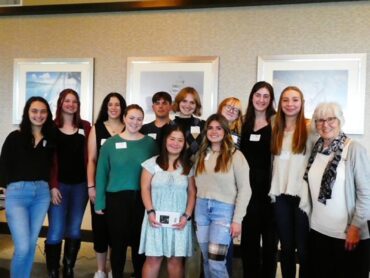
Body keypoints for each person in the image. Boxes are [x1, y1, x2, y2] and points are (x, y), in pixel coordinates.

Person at [304, 102, 370, 278]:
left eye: (331, 119)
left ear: (340, 120)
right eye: (320, 120)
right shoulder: (316, 148)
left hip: (346, 235)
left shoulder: (354, 149)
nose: (325, 124)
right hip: (317, 231)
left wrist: (356, 227)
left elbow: (366, 194)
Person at [95, 104, 158, 278]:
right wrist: (99, 202)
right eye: (131, 117)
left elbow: (157, 172)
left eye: (139, 119)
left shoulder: (150, 144)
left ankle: (139, 274)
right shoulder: (110, 144)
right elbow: (101, 173)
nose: (135, 122)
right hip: (116, 200)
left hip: (142, 199)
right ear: (124, 118)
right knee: (117, 244)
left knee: (140, 242)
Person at [0, 97, 56, 278]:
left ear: (48, 114)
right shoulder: (15, 137)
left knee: (31, 244)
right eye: (34, 111)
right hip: (17, 195)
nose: (38, 115)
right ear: (27, 112)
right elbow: (4, 164)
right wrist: (5, 188)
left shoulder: (51, 139)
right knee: (23, 246)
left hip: (41, 195)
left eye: (43, 111)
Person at [194, 114, 251, 278]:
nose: (214, 131)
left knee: (216, 262)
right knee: (206, 260)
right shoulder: (201, 154)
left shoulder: (236, 155)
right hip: (201, 209)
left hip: (223, 211)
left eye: (219, 128)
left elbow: (245, 189)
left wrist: (237, 220)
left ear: (226, 131)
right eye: (210, 128)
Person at [139, 124, 196, 278]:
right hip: (155, 218)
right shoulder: (151, 163)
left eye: (180, 140)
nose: (175, 143)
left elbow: (192, 192)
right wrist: (150, 211)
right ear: (165, 140)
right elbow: (145, 188)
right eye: (172, 139)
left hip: (180, 220)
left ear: (185, 144)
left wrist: (187, 216)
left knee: (175, 260)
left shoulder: (188, 166)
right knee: (153, 258)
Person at [45, 89, 91, 278]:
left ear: (78, 105)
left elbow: (92, 156)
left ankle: (69, 267)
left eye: (74, 101)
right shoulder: (51, 127)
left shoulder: (86, 127)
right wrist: (53, 186)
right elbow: (46, 160)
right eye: (67, 101)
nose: (71, 104)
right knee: (56, 230)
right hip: (59, 186)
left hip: (81, 186)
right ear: (60, 103)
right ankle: (53, 270)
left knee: (74, 229)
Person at [269, 86, 311, 278]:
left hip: (302, 196)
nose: (290, 104)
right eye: (285, 100)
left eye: (295, 100)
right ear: (280, 103)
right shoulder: (274, 127)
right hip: (280, 195)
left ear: (302, 103)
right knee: (285, 247)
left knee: (303, 250)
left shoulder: (311, 129)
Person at [240, 81, 278, 278]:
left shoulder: (276, 123)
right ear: (252, 96)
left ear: (271, 99)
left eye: (266, 96)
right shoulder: (242, 123)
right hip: (247, 191)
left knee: (270, 244)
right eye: (258, 95)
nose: (261, 100)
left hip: (269, 191)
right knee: (249, 242)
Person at [87, 92, 126, 278]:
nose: (113, 108)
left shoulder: (129, 127)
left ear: (122, 107)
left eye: (117, 104)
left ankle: (113, 269)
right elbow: (91, 160)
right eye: (110, 104)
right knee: (101, 230)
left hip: (121, 191)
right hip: (101, 188)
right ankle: (101, 270)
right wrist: (91, 187)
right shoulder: (97, 129)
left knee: (117, 231)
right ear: (105, 107)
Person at [173, 87, 205, 162]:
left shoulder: (203, 125)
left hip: (196, 168)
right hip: (174, 169)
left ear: (196, 105)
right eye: (184, 101)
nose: (187, 105)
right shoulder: (169, 126)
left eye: (192, 102)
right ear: (178, 102)